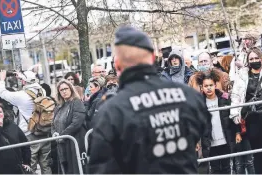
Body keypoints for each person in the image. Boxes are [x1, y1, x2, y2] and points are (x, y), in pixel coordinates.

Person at [87, 25, 210, 173]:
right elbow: (202, 128)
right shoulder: (188, 96)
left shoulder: (112, 111)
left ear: (118, 64)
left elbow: (101, 167)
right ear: (152, 58)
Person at [0, 70, 52, 174]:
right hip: (44, 132)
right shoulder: (42, 91)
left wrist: (2, 79)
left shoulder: (22, 96)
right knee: (46, 166)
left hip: (29, 134)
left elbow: (3, 93)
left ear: (23, 81)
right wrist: (22, 77)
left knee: (30, 167)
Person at [196, 69, 236, 174]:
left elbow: (232, 117)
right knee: (215, 169)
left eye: (211, 85)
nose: (208, 88)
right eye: (206, 86)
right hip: (210, 143)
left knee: (227, 167)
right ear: (202, 87)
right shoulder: (199, 103)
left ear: (215, 85)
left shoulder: (225, 98)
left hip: (225, 140)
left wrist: (237, 133)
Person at [52, 79, 87, 174]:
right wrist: (54, 134)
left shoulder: (77, 103)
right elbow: (53, 124)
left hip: (74, 142)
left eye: (66, 88)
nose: (64, 91)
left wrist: (62, 136)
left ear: (71, 89)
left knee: (76, 170)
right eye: (61, 90)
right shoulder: (58, 107)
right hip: (61, 144)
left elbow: (76, 123)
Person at [0, 102, 31, 174]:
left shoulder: (12, 126)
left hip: (16, 167)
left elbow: (25, 144)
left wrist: (26, 162)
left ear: (4, 114)